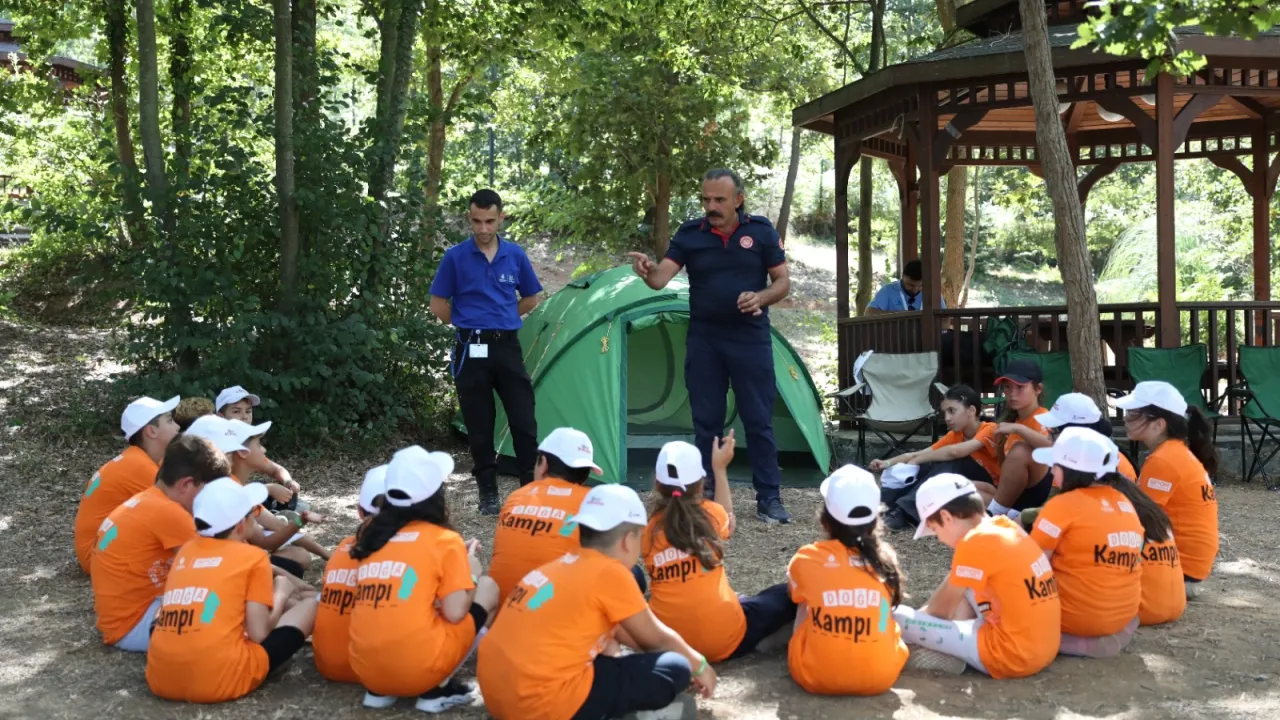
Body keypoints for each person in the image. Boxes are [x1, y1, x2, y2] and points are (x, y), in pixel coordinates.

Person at [627, 168, 793, 524]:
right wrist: (648, 270)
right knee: (706, 422)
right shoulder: (690, 234)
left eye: (719, 199)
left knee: (758, 420)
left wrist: (761, 297)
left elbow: (782, 282)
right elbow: (660, 279)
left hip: (750, 339)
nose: (711, 206)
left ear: (738, 200)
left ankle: (769, 498)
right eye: (706, 199)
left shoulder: (761, 231)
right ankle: (706, 496)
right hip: (705, 340)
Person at [477, 484, 716, 720]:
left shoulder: (557, 566)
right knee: (675, 666)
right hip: (540, 704)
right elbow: (656, 638)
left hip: (498, 695)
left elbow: (627, 634)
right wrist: (699, 665)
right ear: (628, 540)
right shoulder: (610, 572)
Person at [348, 445, 500, 712]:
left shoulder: (371, 537)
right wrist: (471, 573)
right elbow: (455, 612)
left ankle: (383, 691)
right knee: (488, 588)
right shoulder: (444, 540)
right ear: (436, 495)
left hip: (366, 672)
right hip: (417, 670)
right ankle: (437, 688)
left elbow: (406, 584)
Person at [145, 477, 318, 703]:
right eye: (252, 513)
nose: (256, 517)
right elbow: (259, 634)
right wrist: (282, 592)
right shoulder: (252, 557)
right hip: (219, 681)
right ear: (240, 525)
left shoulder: (186, 551)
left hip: (161, 679)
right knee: (311, 605)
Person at [429, 189, 543, 516]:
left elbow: (531, 298)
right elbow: (438, 305)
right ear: (470, 218)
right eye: (477, 221)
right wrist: (467, 324)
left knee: (523, 419)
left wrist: (502, 318)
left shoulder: (515, 255)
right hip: (471, 347)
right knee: (479, 425)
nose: (483, 228)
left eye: (489, 221)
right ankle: (488, 493)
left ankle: (530, 490)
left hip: (506, 346)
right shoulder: (455, 257)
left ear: (501, 218)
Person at [643, 436, 795, 665]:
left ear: (657, 484)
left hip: (671, 647)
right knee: (784, 593)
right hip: (725, 641)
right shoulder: (712, 514)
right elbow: (727, 517)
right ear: (700, 483)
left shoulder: (648, 530)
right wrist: (720, 468)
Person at [895, 474, 1061, 678]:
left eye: (936, 531)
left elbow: (938, 613)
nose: (940, 539)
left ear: (946, 518)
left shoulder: (974, 542)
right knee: (965, 586)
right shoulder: (1005, 526)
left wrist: (915, 626)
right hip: (1042, 649)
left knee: (896, 615)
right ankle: (954, 648)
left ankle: (950, 655)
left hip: (1010, 655)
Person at [90, 435, 231, 652]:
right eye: (209, 492)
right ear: (186, 484)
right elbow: (220, 568)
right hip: (135, 624)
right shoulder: (170, 513)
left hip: (122, 619)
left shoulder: (150, 499)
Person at [786, 464, 907, 695]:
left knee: (803, 599)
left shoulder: (808, 558)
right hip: (881, 677)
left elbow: (793, 596)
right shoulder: (886, 559)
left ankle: (819, 651)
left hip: (815, 676)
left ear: (825, 520)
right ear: (875, 519)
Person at [1028, 427, 1145, 658]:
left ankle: (1063, 640)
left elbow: (1033, 565)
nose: (1051, 471)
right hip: (1122, 616)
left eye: (1055, 465)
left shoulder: (1063, 505)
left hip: (1075, 619)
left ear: (1071, 470)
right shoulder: (1125, 502)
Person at [1118, 381, 1219, 598]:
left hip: (1178, 571)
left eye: (1133, 414)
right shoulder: (1175, 452)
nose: (1125, 418)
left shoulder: (1163, 460)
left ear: (1159, 424)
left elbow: (1138, 519)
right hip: (1188, 569)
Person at [185, 416, 314, 577]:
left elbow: (262, 541)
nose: (264, 450)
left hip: (227, 567)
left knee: (296, 562)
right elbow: (260, 546)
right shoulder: (221, 494)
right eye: (228, 453)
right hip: (228, 572)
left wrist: (300, 520)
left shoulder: (222, 488)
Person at [488, 427, 600, 603]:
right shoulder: (592, 502)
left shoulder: (516, 497)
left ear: (543, 464)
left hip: (501, 610)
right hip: (555, 610)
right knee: (633, 574)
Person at [75, 395, 181, 574]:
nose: (177, 427)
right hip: (98, 556)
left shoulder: (138, 459)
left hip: (99, 549)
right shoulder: (139, 466)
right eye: (170, 421)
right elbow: (180, 511)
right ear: (151, 431)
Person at [871, 384, 999, 531]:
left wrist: (918, 459)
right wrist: (887, 462)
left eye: (952, 411)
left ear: (971, 410)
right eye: (945, 413)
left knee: (954, 462)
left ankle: (906, 512)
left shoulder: (990, 429)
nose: (947, 418)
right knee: (927, 464)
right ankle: (885, 506)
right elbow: (919, 454)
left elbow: (955, 452)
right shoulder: (955, 435)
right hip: (969, 485)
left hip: (991, 490)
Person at [1016, 392, 1137, 531]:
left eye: (1053, 432)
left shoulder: (1097, 461)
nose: (1048, 439)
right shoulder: (1073, 457)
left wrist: (1023, 517)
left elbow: (1065, 510)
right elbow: (1055, 502)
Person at [313, 464, 386, 684]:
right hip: (372, 667)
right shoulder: (403, 550)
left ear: (359, 511)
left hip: (327, 663)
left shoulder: (344, 545)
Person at [215, 385, 309, 516]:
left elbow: (276, 469)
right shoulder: (216, 449)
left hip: (242, 499)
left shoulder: (248, 442)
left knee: (287, 493)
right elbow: (222, 495)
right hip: (223, 509)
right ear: (220, 417)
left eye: (248, 411)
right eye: (236, 411)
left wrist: (288, 482)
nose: (244, 416)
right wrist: (268, 489)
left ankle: (275, 515)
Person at [984, 359, 1053, 518]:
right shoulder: (1011, 422)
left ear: (1038, 389)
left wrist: (1019, 429)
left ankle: (994, 514)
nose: (1012, 393)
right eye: (1007, 387)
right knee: (973, 489)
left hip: (1039, 495)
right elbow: (1006, 470)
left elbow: (1054, 447)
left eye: (1020, 387)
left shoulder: (1045, 418)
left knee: (1021, 450)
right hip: (1016, 497)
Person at [866, 259, 946, 314]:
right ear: (903, 276)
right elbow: (869, 313)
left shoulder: (932, 292)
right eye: (911, 285)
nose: (915, 290)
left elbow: (945, 321)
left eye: (921, 286)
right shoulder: (888, 290)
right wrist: (898, 315)